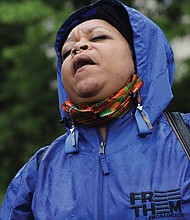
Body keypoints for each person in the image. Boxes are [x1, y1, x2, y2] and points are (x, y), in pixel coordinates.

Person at [0, 0, 190, 219]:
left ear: (139, 56)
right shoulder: (39, 170)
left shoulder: (184, 139)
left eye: (98, 37)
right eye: (67, 51)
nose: (78, 48)